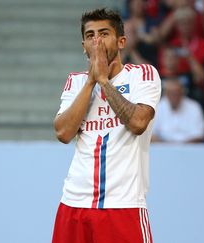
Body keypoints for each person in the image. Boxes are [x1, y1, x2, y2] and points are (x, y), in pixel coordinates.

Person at [52, 8, 161, 243]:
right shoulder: (76, 81)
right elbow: (63, 132)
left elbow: (138, 122)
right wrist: (92, 80)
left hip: (124, 205)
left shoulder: (143, 74)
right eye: (90, 36)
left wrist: (103, 80)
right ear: (83, 45)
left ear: (121, 41)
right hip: (73, 204)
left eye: (103, 34)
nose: (97, 41)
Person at [152, 78, 204, 143]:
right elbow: (152, 134)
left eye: (177, 93)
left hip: (189, 148)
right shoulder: (157, 107)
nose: (174, 96)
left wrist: (181, 149)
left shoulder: (194, 107)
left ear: (182, 92)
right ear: (166, 94)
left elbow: (199, 134)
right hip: (163, 147)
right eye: (171, 93)